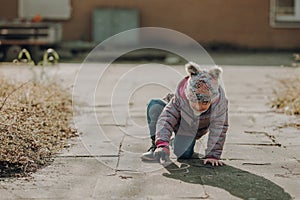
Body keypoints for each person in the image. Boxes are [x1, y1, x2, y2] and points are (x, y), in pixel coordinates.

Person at [141, 62, 228, 166]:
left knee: (184, 154)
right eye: (194, 100)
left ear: (212, 100)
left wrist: (213, 155)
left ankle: (173, 142)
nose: (198, 106)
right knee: (155, 106)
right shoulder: (180, 99)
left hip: (188, 129)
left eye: (204, 102)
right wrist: (162, 144)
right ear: (188, 95)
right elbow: (166, 119)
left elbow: (219, 128)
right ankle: (157, 147)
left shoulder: (219, 105)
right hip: (175, 116)